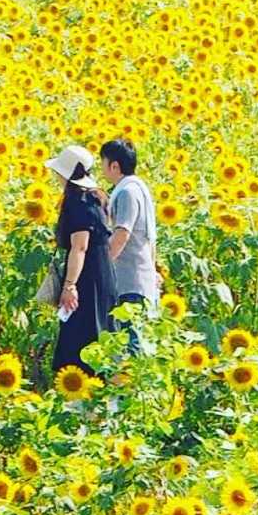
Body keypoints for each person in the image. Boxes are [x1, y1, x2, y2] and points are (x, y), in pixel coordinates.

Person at [45, 145, 116, 378]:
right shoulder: (96, 197)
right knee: (99, 330)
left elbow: (80, 246)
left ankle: (82, 395)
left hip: (87, 276)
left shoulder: (78, 201)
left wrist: (70, 285)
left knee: (82, 334)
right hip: (103, 272)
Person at [100, 138, 159, 357]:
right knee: (133, 341)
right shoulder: (137, 188)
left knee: (130, 345)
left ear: (114, 166)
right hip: (139, 276)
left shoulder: (127, 193)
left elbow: (122, 233)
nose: (102, 169)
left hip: (129, 279)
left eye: (103, 163)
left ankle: (129, 389)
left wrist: (102, 266)